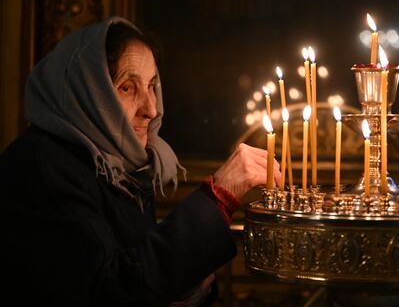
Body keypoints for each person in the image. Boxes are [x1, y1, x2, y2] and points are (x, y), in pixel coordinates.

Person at [0, 16, 281, 306]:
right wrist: (218, 197)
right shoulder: (42, 165)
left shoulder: (119, 166)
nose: (151, 109)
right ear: (86, 93)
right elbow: (107, 295)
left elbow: (137, 275)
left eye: (151, 86)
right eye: (127, 87)